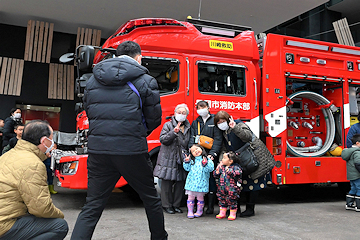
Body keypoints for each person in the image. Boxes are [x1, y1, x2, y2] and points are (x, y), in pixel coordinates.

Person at [71, 41, 167, 240]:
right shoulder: (145, 81)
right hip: (131, 150)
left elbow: (90, 112)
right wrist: (137, 133)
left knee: (93, 204)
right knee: (150, 199)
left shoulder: (92, 81)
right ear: (138, 57)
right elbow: (154, 118)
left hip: (99, 150)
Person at [0, 120, 68, 240]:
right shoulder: (33, 164)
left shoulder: (8, 155)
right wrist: (60, 215)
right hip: (4, 224)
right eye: (51, 139)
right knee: (59, 225)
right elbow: (41, 208)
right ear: (44, 141)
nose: (53, 143)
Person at [214, 110, 270, 217]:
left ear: (228, 119)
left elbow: (247, 136)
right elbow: (224, 148)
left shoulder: (239, 124)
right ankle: (236, 208)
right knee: (237, 184)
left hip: (250, 158)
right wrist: (222, 161)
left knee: (254, 182)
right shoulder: (223, 132)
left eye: (223, 121)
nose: (221, 123)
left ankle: (250, 209)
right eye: (219, 122)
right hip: (238, 160)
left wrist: (235, 127)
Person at [153, 103, 190, 214]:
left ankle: (176, 205)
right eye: (179, 112)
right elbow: (163, 139)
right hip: (168, 157)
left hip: (182, 158)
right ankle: (166, 205)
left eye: (184, 113)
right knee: (166, 182)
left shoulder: (188, 127)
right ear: (174, 113)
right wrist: (174, 132)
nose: (181, 114)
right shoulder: (168, 125)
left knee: (180, 183)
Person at [188, 100, 222, 214]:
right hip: (197, 156)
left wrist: (213, 154)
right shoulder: (195, 122)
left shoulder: (214, 120)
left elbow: (218, 139)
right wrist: (191, 151)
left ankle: (210, 206)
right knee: (197, 179)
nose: (201, 109)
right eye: (199, 107)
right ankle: (195, 206)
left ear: (208, 107)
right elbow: (192, 139)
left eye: (203, 106)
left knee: (211, 180)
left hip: (210, 156)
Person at [183, 144, 214, 219]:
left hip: (201, 182)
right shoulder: (192, 160)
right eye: (193, 151)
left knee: (200, 197)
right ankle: (190, 211)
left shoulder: (207, 159)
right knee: (190, 197)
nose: (196, 151)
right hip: (191, 182)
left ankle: (199, 211)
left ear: (202, 149)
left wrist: (205, 164)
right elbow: (187, 168)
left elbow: (210, 169)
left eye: (197, 149)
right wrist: (186, 162)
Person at [213, 151, 242, 220]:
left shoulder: (235, 167)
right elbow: (215, 175)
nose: (222, 160)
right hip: (222, 188)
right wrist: (216, 171)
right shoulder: (221, 167)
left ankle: (232, 213)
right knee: (222, 200)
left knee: (232, 200)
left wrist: (229, 171)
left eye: (224, 158)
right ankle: (222, 213)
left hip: (232, 188)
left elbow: (238, 173)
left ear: (230, 161)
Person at [341, 133, 360, 211]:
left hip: (351, 175)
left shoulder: (348, 151)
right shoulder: (357, 152)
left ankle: (349, 204)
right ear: (357, 143)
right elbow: (358, 164)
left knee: (353, 189)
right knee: (359, 189)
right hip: (357, 175)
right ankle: (359, 206)